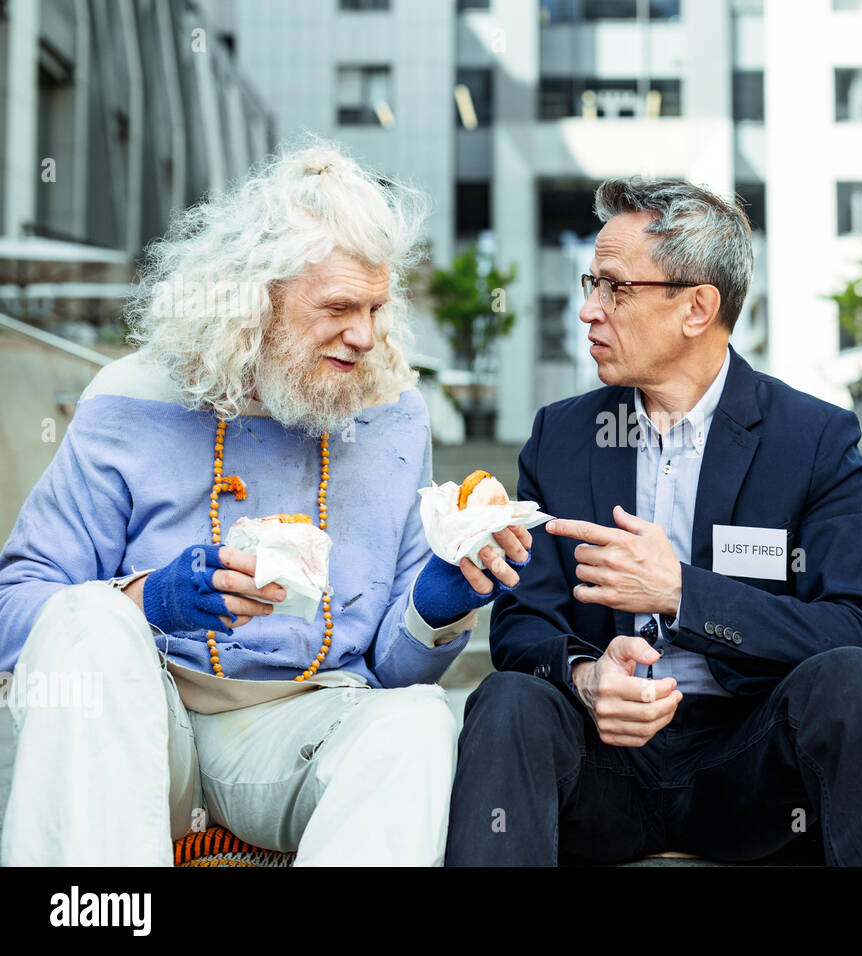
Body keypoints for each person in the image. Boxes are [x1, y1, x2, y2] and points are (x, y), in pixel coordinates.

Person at [0, 141, 531, 866]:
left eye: (376, 306)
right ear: (254, 300)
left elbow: (395, 669)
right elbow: (18, 610)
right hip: (145, 734)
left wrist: (435, 606)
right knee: (87, 619)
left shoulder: (393, 414)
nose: (366, 336)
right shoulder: (130, 399)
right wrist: (148, 599)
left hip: (306, 732)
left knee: (416, 721)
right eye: (340, 307)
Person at [445, 178, 862, 866]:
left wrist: (684, 592)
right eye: (592, 284)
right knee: (506, 700)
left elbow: (859, 633)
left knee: (854, 687)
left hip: (751, 771)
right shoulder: (561, 438)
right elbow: (524, 625)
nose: (588, 310)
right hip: (604, 769)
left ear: (697, 308)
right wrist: (587, 677)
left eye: (616, 289)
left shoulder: (812, 439)